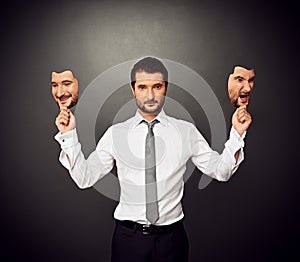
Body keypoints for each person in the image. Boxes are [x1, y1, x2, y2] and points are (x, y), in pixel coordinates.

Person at [54, 57, 252, 262]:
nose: (150, 95)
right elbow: (84, 178)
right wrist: (69, 136)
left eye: (157, 86)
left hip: (172, 240)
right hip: (128, 240)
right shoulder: (116, 134)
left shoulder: (186, 132)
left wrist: (237, 135)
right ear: (133, 90)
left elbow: (221, 172)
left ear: (165, 88)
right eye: (142, 87)